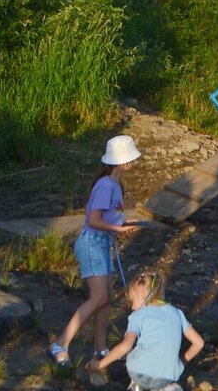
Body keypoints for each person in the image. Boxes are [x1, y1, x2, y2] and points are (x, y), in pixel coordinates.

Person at [49, 135, 142, 367]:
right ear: (121, 161)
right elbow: (94, 220)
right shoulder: (105, 185)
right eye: (130, 158)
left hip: (102, 243)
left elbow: (109, 216)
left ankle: (101, 349)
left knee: (107, 298)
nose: (133, 162)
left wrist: (123, 222)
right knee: (99, 297)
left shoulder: (115, 185)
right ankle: (61, 343)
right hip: (92, 243)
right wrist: (118, 230)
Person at [87, 270, 204, 391]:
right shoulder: (178, 313)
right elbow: (199, 343)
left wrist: (99, 365)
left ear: (143, 295)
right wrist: (180, 364)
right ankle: (166, 388)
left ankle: (136, 386)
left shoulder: (137, 315)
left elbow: (125, 346)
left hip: (139, 373)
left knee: (132, 353)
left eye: (132, 300)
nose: (132, 307)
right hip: (167, 376)